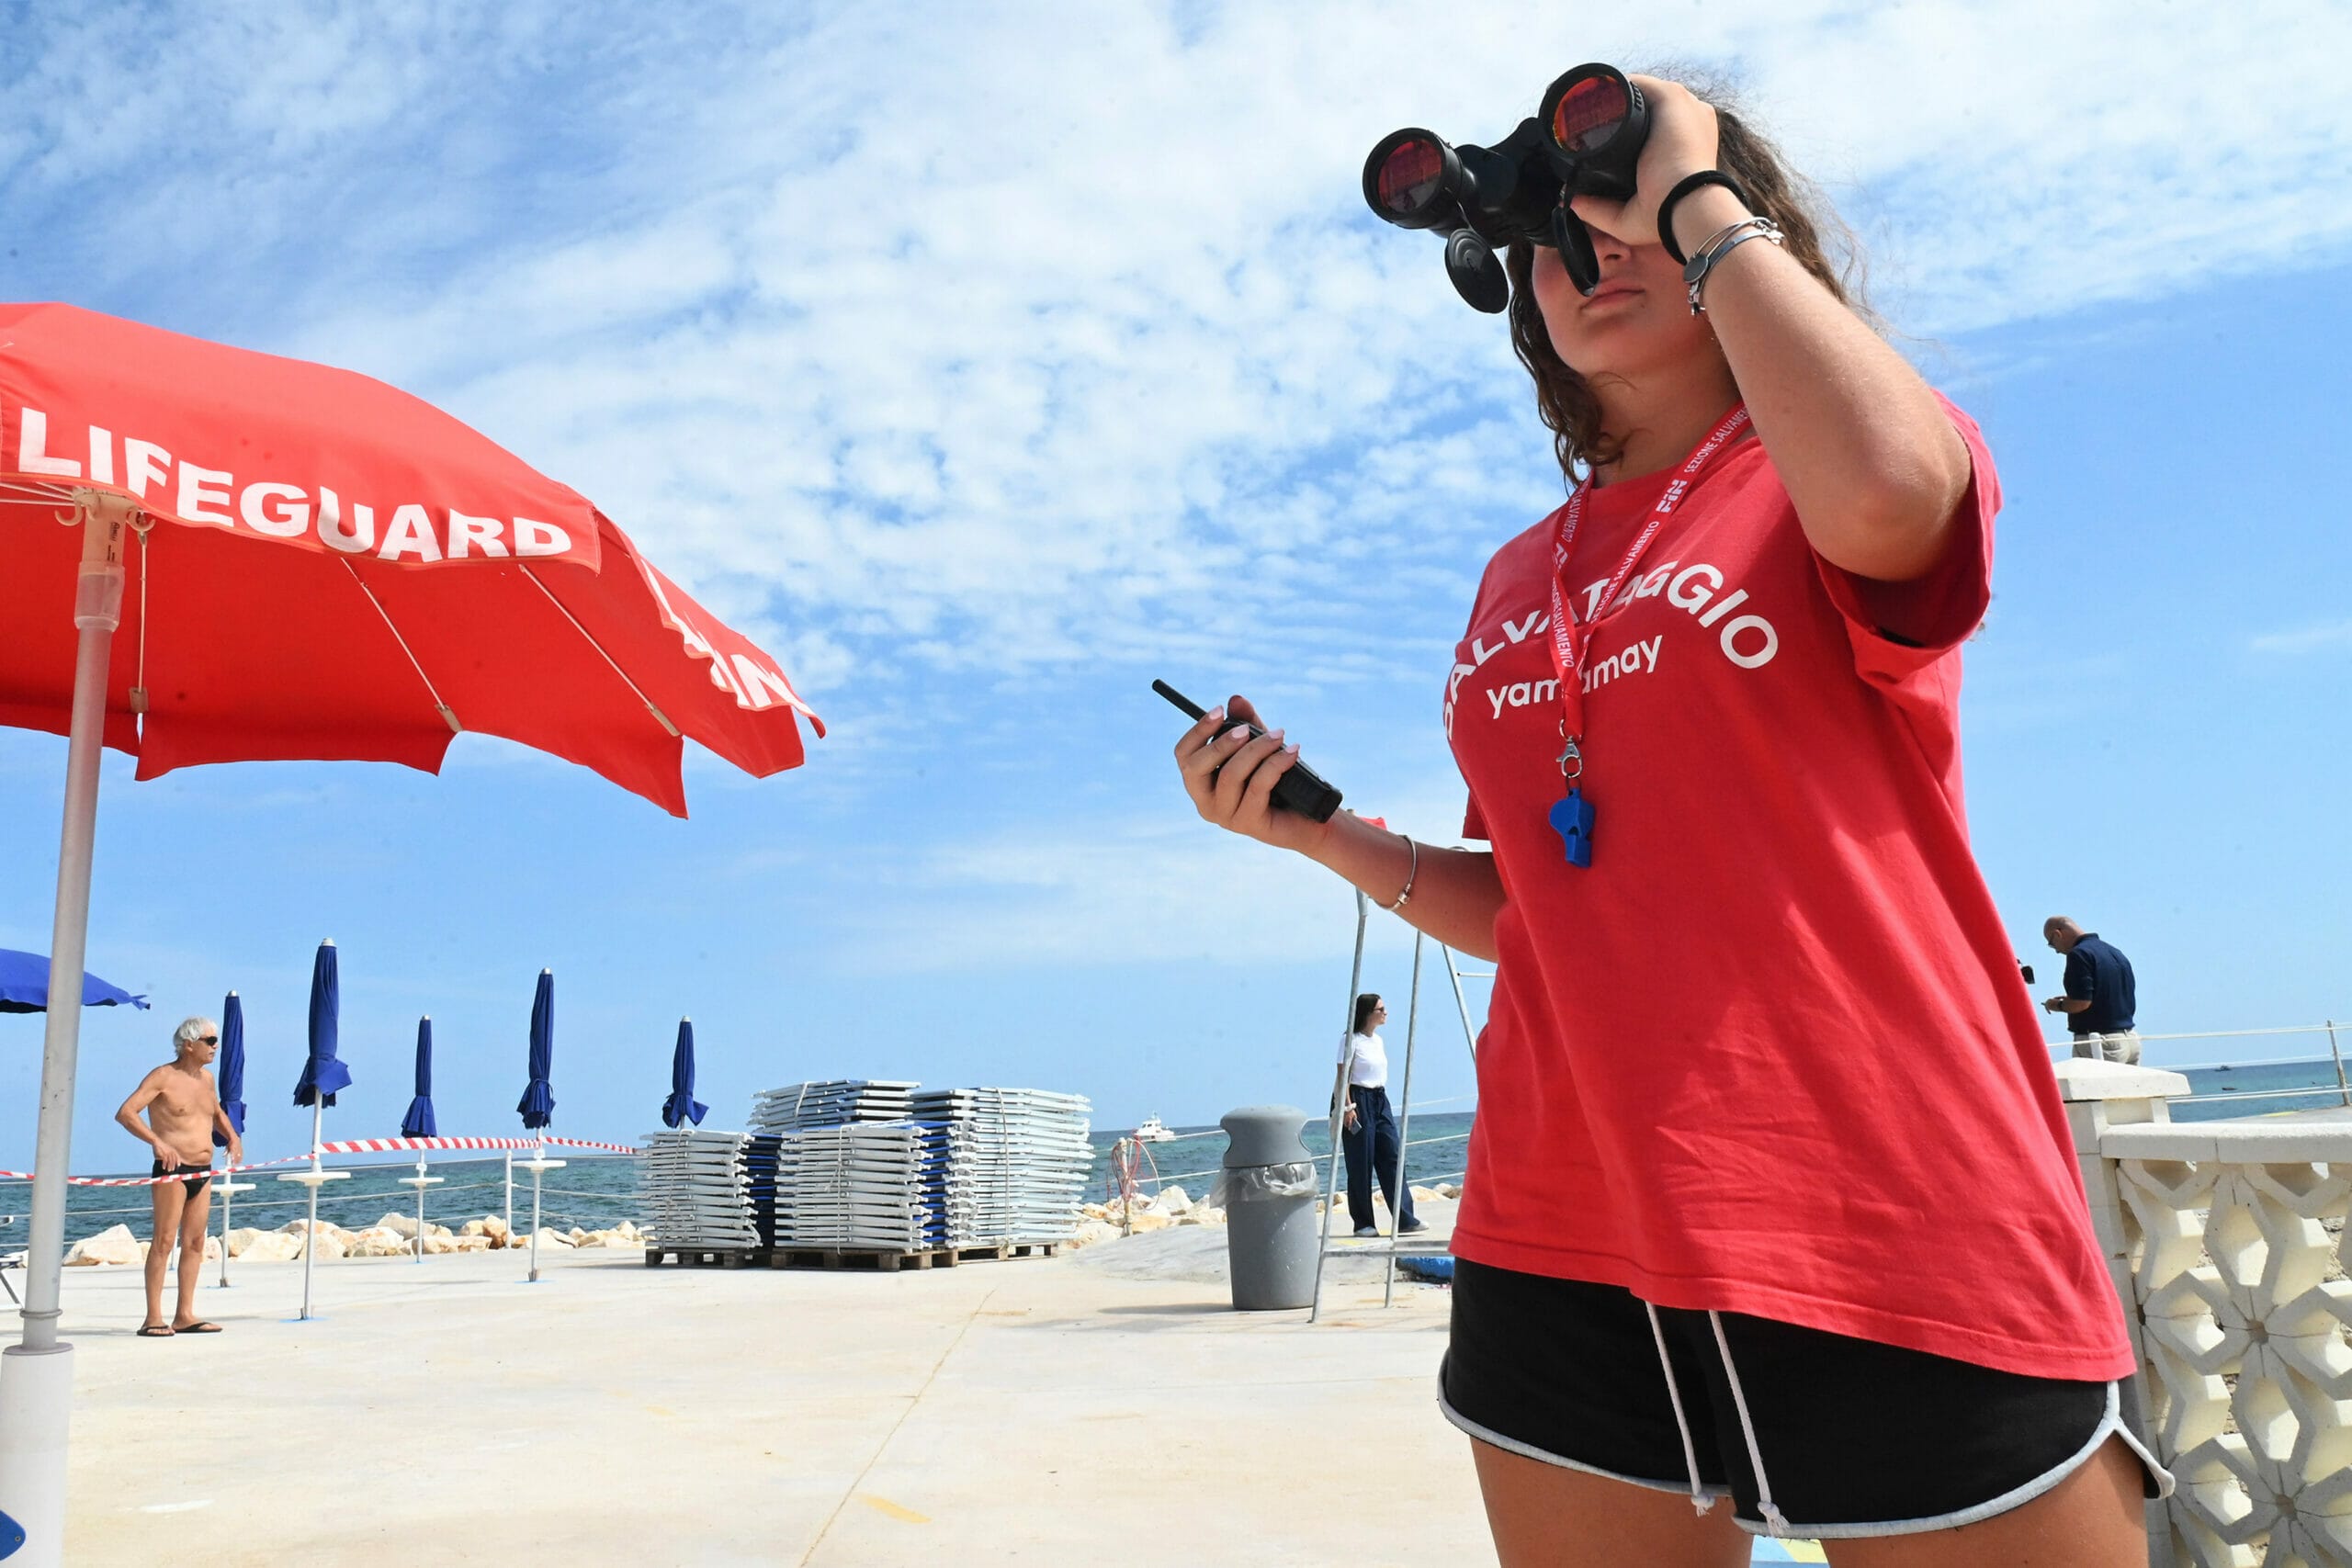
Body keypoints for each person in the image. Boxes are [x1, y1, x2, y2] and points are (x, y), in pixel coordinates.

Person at [1173, 69, 2165, 1567]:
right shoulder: (1523, 578)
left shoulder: (1824, 460)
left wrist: (1696, 194)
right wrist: (1314, 828)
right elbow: (1538, 909)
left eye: (1628, 214)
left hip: (1880, 1192)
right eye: (1556, 240)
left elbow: (1899, 494)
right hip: (1563, 1219)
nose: (1595, 253)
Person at [115, 1016, 243, 1337]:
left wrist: (233, 1137)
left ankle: (184, 1314)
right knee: (164, 1242)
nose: (216, 1046)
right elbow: (126, 1112)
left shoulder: (207, 1079)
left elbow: (215, 1112)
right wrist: (157, 1142)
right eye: (210, 1041)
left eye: (216, 1040)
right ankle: (152, 1318)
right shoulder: (163, 1077)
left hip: (203, 1170)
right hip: (173, 1171)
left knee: (196, 1242)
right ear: (189, 1044)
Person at [1336, 994, 1425, 1238]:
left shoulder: (1378, 1041)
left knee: (1392, 1155)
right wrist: (1348, 1107)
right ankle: (1363, 1223)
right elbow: (1342, 1078)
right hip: (1357, 1100)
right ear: (1367, 1013)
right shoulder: (1349, 1040)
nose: (1385, 1012)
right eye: (1381, 1009)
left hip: (1379, 1099)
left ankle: (1405, 1218)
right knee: (1360, 1161)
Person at [2043, 918, 2141, 1065]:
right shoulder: (2114, 952)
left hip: (2101, 1042)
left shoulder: (2079, 954)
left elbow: (2081, 1003)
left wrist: (2055, 1005)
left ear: (2058, 934)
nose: (2056, 950)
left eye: (2051, 943)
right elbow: (2109, 993)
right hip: (2129, 1039)